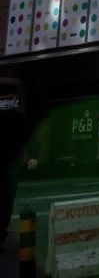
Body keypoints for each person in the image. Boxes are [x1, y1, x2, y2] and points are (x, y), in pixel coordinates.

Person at [0, 86, 37, 247]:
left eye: (10, 97)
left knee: (6, 201)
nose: (8, 101)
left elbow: (31, 138)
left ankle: (0, 234)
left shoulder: (18, 119)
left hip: (10, 166)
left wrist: (33, 156)